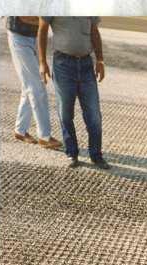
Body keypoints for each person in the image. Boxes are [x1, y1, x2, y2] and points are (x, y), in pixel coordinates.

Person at [38, 17, 110, 169]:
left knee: (94, 115)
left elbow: (94, 31)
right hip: (63, 65)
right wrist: (42, 62)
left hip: (86, 65)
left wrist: (100, 60)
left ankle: (96, 155)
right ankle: (72, 153)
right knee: (65, 112)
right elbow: (42, 28)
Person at [6, 17, 62, 149]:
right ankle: (44, 137)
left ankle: (20, 130)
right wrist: (46, 20)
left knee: (29, 85)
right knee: (37, 87)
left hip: (35, 37)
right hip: (18, 37)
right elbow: (23, 16)